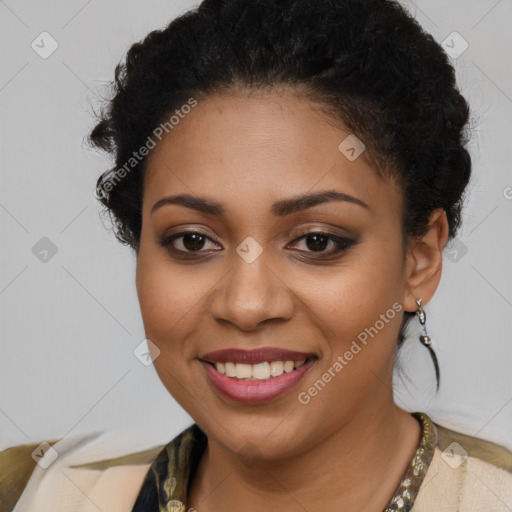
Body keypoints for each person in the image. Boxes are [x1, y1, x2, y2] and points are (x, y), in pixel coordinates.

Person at [2, 0, 512, 510]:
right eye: (192, 240)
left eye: (317, 241)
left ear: (419, 260)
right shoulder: (34, 496)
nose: (246, 305)